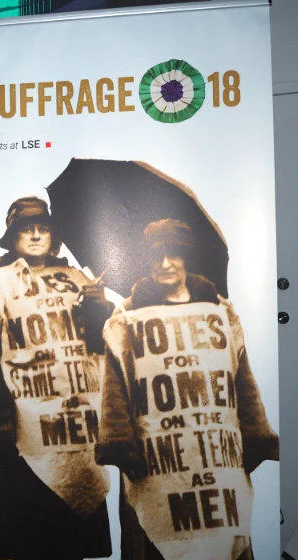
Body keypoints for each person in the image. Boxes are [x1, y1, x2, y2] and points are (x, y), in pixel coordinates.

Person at [95, 219, 279, 560]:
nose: (165, 264)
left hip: (214, 458)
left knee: (221, 539)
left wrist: (254, 437)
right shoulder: (129, 317)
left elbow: (241, 379)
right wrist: (120, 446)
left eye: (173, 254)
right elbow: (115, 387)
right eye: (156, 256)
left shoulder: (219, 312)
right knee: (154, 540)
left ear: (187, 256)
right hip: (155, 465)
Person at [0, 196, 112, 560]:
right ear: (12, 237)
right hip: (19, 432)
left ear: (54, 236)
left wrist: (97, 306)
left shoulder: (79, 281)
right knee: (24, 541)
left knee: (71, 541)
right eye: (27, 229)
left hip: (75, 433)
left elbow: (101, 350)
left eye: (44, 228)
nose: (37, 235)